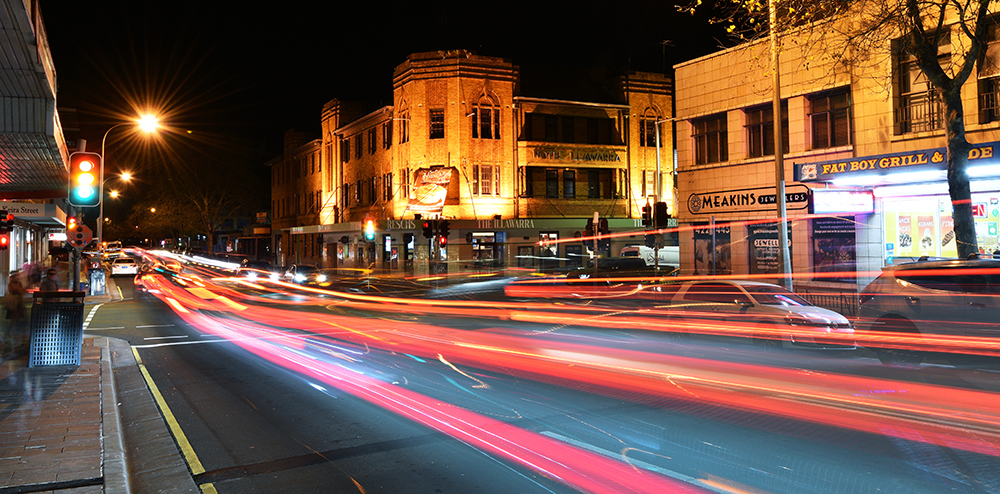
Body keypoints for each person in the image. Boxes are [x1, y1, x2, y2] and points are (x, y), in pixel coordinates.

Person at [4, 270, 27, 354]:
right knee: (13, 321)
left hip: (18, 304)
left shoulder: (18, 283)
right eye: (16, 276)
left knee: (15, 321)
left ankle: (11, 335)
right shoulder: (13, 284)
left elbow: (21, 292)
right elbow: (19, 292)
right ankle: (9, 335)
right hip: (14, 305)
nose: (18, 277)